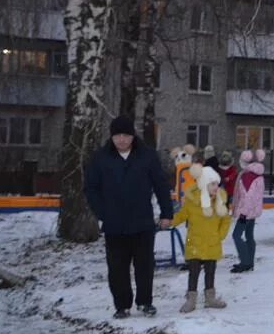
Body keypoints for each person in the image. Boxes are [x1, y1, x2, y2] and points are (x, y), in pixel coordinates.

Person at [83, 115, 175, 319]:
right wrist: (102, 213)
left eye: (126, 135)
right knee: (117, 267)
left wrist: (167, 213)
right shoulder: (101, 158)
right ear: (112, 137)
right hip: (114, 223)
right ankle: (122, 305)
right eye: (117, 136)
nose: (122, 140)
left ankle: (145, 302)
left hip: (142, 221)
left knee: (144, 265)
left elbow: (160, 185)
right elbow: (91, 188)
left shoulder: (147, 156)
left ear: (133, 136)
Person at [170, 165, 232, 312]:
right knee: (194, 272)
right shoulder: (192, 202)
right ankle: (191, 299)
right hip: (195, 243)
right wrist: (168, 220)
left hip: (212, 243)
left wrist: (220, 235)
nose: (216, 187)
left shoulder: (219, 201)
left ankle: (210, 298)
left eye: (217, 183)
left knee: (210, 271)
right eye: (212, 184)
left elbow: (226, 220)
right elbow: (181, 215)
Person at [230, 149, 266, 273]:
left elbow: (247, 196)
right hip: (253, 211)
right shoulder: (258, 175)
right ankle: (249, 262)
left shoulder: (247, 177)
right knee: (249, 236)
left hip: (245, 213)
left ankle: (245, 262)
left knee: (236, 236)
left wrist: (243, 214)